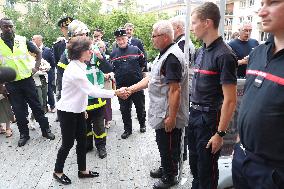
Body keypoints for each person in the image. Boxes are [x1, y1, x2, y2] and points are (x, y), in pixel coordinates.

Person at [122, 20, 189, 189]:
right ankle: (166, 167)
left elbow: (175, 90)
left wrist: (172, 117)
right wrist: (130, 89)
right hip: (162, 111)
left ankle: (170, 176)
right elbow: (151, 79)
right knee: (163, 144)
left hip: (168, 113)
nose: (152, 39)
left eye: (154, 36)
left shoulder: (172, 57)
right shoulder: (164, 54)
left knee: (169, 145)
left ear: (165, 37)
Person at [53, 36, 123, 185]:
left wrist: (82, 109)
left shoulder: (80, 65)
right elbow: (91, 91)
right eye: (89, 49)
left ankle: (82, 171)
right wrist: (115, 92)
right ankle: (57, 171)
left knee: (82, 141)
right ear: (80, 51)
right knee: (67, 144)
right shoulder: (74, 70)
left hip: (77, 111)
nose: (92, 52)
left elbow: (81, 92)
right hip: (67, 113)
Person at [232, 0, 284, 188]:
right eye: (261, 3)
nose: (261, 12)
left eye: (273, 2)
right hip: (242, 160)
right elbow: (248, 101)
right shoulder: (257, 53)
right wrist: (239, 143)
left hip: (273, 173)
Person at [188, 2, 237, 189]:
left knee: (207, 172)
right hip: (195, 116)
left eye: (194, 23)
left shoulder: (224, 55)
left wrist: (220, 134)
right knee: (195, 166)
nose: (192, 27)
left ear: (207, 22)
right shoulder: (201, 51)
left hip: (209, 120)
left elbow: (230, 100)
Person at [0, 18, 55, 147]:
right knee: (18, 111)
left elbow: (38, 52)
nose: (9, 28)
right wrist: (1, 85)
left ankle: (45, 130)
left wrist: (36, 67)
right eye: (5, 26)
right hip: (11, 83)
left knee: (37, 106)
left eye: (10, 26)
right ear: (1, 28)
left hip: (27, 80)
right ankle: (24, 134)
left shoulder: (22, 39)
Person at [110, 28, 146, 139]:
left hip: (136, 85)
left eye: (123, 39)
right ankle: (127, 130)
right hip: (122, 87)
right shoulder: (113, 53)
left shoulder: (136, 50)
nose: (121, 41)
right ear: (116, 40)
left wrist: (140, 76)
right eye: (118, 39)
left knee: (140, 107)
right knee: (125, 109)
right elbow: (111, 68)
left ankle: (142, 124)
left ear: (127, 38)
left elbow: (143, 63)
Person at [169, 15, 195, 162]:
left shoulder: (182, 44)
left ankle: (180, 154)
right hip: (185, 86)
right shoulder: (183, 42)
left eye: (171, 27)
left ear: (178, 28)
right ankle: (181, 153)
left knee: (180, 123)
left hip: (183, 88)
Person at [32, 35, 56, 113]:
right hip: (37, 75)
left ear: (39, 40)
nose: (32, 40)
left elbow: (53, 63)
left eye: (33, 39)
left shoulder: (47, 50)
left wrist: (46, 69)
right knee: (41, 92)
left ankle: (52, 106)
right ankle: (44, 107)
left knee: (49, 91)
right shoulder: (32, 51)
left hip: (47, 74)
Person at [54, 17, 73, 101]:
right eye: (66, 28)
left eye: (70, 28)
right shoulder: (58, 45)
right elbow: (57, 63)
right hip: (64, 79)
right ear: (62, 30)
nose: (68, 31)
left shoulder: (81, 43)